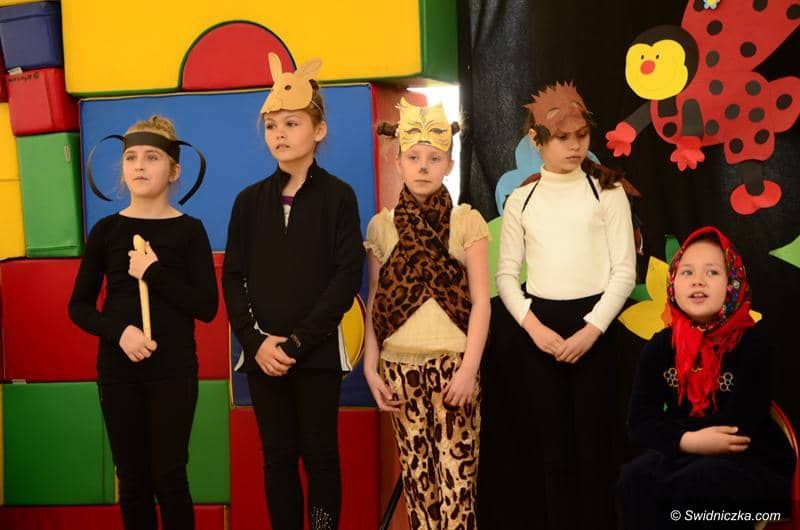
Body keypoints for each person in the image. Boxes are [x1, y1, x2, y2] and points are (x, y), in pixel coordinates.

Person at [222, 54, 364, 530]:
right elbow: (233, 278)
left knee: (320, 456)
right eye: (271, 126)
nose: (279, 134)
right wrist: (256, 342)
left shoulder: (338, 196)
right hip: (262, 357)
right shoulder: (248, 202)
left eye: (291, 123)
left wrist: (299, 343)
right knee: (277, 457)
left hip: (316, 354)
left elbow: (346, 276)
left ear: (318, 130)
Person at [495, 81, 637, 530]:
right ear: (536, 140)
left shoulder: (607, 191)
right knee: (553, 456)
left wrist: (591, 330)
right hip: (541, 332)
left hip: (595, 330)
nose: (575, 146)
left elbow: (624, 272)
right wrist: (534, 328)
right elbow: (506, 276)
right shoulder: (522, 200)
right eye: (562, 137)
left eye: (581, 136)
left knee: (596, 453)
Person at [69, 115, 218, 530]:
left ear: (174, 170)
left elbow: (207, 307)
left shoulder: (190, 231)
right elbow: (79, 307)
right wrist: (120, 333)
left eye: (152, 157)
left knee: (170, 477)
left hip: (173, 372)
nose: (139, 165)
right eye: (131, 157)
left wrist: (153, 273)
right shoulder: (106, 231)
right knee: (132, 480)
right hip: (119, 373)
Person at [364, 97, 491, 529]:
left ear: (449, 165)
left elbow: (481, 302)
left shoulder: (465, 222)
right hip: (399, 369)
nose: (423, 167)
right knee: (419, 486)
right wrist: (371, 367)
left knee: (458, 485)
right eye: (414, 157)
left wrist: (469, 369)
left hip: (453, 367)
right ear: (397, 161)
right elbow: (378, 301)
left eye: (434, 159)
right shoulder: (382, 227)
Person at [617, 226, 795, 529]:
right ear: (673, 284)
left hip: (749, 461)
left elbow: (737, 426)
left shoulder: (755, 346)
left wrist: (672, 431)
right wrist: (688, 441)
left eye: (712, 272)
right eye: (687, 272)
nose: (698, 280)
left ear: (732, 283)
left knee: (701, 482)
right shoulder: (660, 346)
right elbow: (639, 423)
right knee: (633, 479)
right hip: (682, 454)